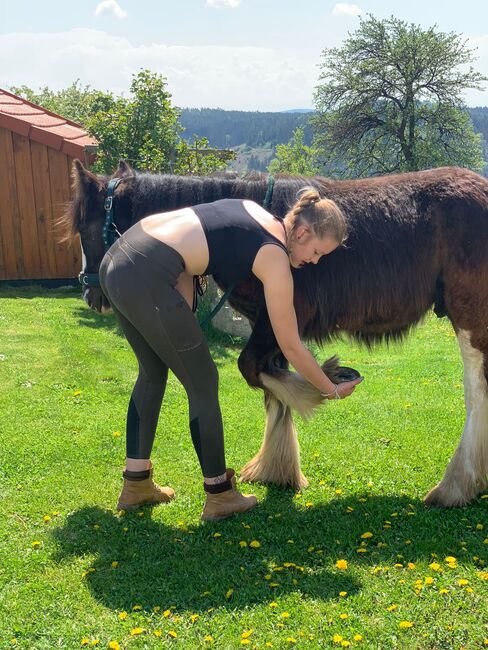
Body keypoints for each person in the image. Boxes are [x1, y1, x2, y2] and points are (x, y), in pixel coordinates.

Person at [98, 188, 363, 521]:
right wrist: (330, 388)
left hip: (118, 259)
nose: (314, 261)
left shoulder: (256, 213)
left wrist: (182, 306)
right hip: (145, 270)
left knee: (153, 373)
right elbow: (291, 345)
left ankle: (136, 484)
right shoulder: (274, 256)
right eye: (316, 252)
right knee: (203, 380)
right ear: (302, 232)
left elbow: (192, 239)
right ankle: (220, 495)